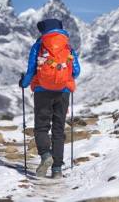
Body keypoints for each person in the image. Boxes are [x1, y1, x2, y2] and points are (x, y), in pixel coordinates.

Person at [19, 18, 80, 179]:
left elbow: (32, 70)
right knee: (59, 130)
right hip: (64, 92)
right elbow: (76, 71)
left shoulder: (39, 46)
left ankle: (46, 155)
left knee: (41, 128)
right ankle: (57, 170)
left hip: (42, 92)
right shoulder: (68, 46)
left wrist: (23, 83)